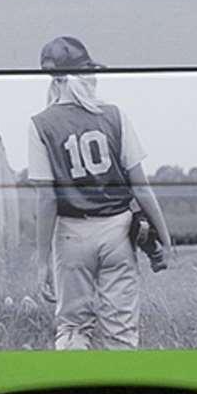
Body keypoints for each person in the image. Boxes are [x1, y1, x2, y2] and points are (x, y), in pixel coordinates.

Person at [28, 34, 174, 349]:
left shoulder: (40, 124)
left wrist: (42, 261)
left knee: (73, 329)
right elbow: (141, 188)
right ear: (83, 74)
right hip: (118, 231)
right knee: (121, 332)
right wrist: (164, 236)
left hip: (71, 234)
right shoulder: (113, 115)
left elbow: (46, 199)